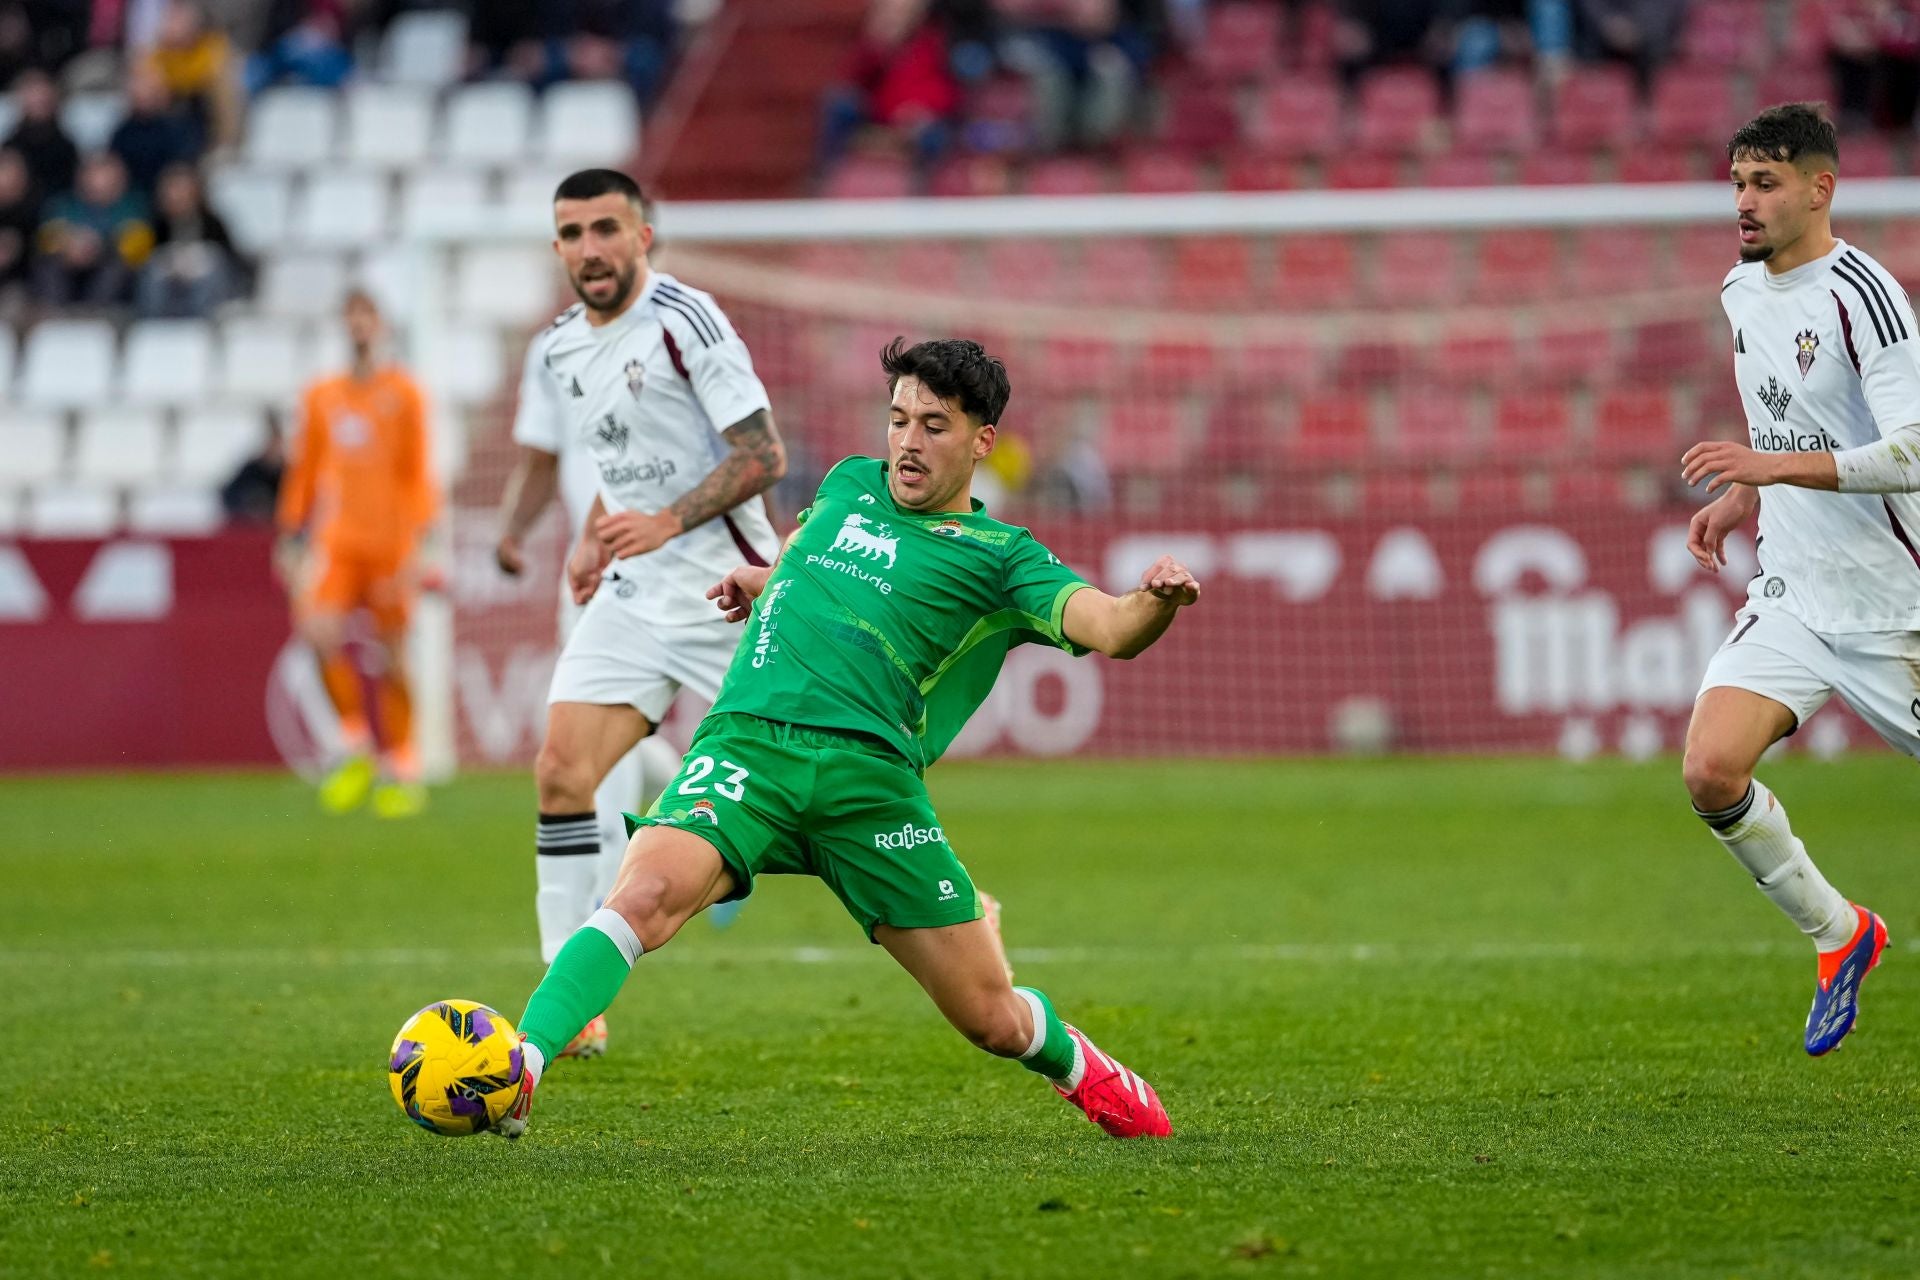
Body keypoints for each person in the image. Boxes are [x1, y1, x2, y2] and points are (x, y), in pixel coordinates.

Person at [490, 336, 1201, 1142]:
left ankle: (1084, 1070)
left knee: (990, 1019)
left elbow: (1110, 627)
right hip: (749, 747)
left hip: (870, 786)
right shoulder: (847, 483)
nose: (907, 442)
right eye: (898, 420)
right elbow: (805, 555)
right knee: (644, 895)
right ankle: (523, 1063)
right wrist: (770, 581)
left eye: (934, 426)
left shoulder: (1003, 558)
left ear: (982, 442)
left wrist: (1158, 600)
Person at [1678, 102, 1916, 1057]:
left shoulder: (1867, 296)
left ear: (1821, 188)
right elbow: (1780, 416)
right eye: (1737, 181)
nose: (1744, 200)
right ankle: (1840, 932)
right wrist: (1745, 494)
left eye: (1765, 182)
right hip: (1796, 590)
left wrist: (1773, 468)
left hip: (1896, 605)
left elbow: (1913, 449)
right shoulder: (1742, 288)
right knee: (1709, 769)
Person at [275, 289, 437, 818]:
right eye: (351, 318)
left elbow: (418, 473)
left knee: (392, 655)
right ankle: (353, 742)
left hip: (390, 545)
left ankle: (404, 763)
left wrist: (419, 540)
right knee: (317, 634)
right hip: (338, 542)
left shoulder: (405, 394)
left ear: (381, 326)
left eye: (367, 317)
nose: (359, 327)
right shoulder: (322, 395)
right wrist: (290, 531)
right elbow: (306, 469)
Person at [32, 150, 151, 306]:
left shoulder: (133, 205)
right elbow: (46, 239)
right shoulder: (64, 204)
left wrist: (100, 246)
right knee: (47, 267)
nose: (98, 182)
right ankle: (52, 319)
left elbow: (138, 245)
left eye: (105, 176)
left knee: (117, 269)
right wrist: (68, 245)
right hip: (68, 264)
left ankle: (96, 317)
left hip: (108, 264)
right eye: (92, 174)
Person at [137, 161, 242, 316]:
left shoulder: (212, 222)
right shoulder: (157, 224)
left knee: (214, 262)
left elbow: (228, 257)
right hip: (169, 282)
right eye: (172, 190)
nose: (177, 196)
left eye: (182, 189)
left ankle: (201, 321)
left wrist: (196, 263)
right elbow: (145, 256)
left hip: (203, 281)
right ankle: (153, 321)